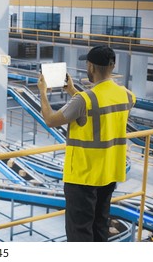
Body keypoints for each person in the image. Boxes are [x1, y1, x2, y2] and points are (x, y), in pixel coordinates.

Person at [37, 45, 136, 242]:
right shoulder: (126, 95)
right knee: (100, 227)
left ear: (90, 66)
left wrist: (43, 93)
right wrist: (73, 90)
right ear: (113, 65)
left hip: (83, 177)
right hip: (109, 174)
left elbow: (50, 119)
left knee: (79, 233)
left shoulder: (84, 100)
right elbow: (100, 107)